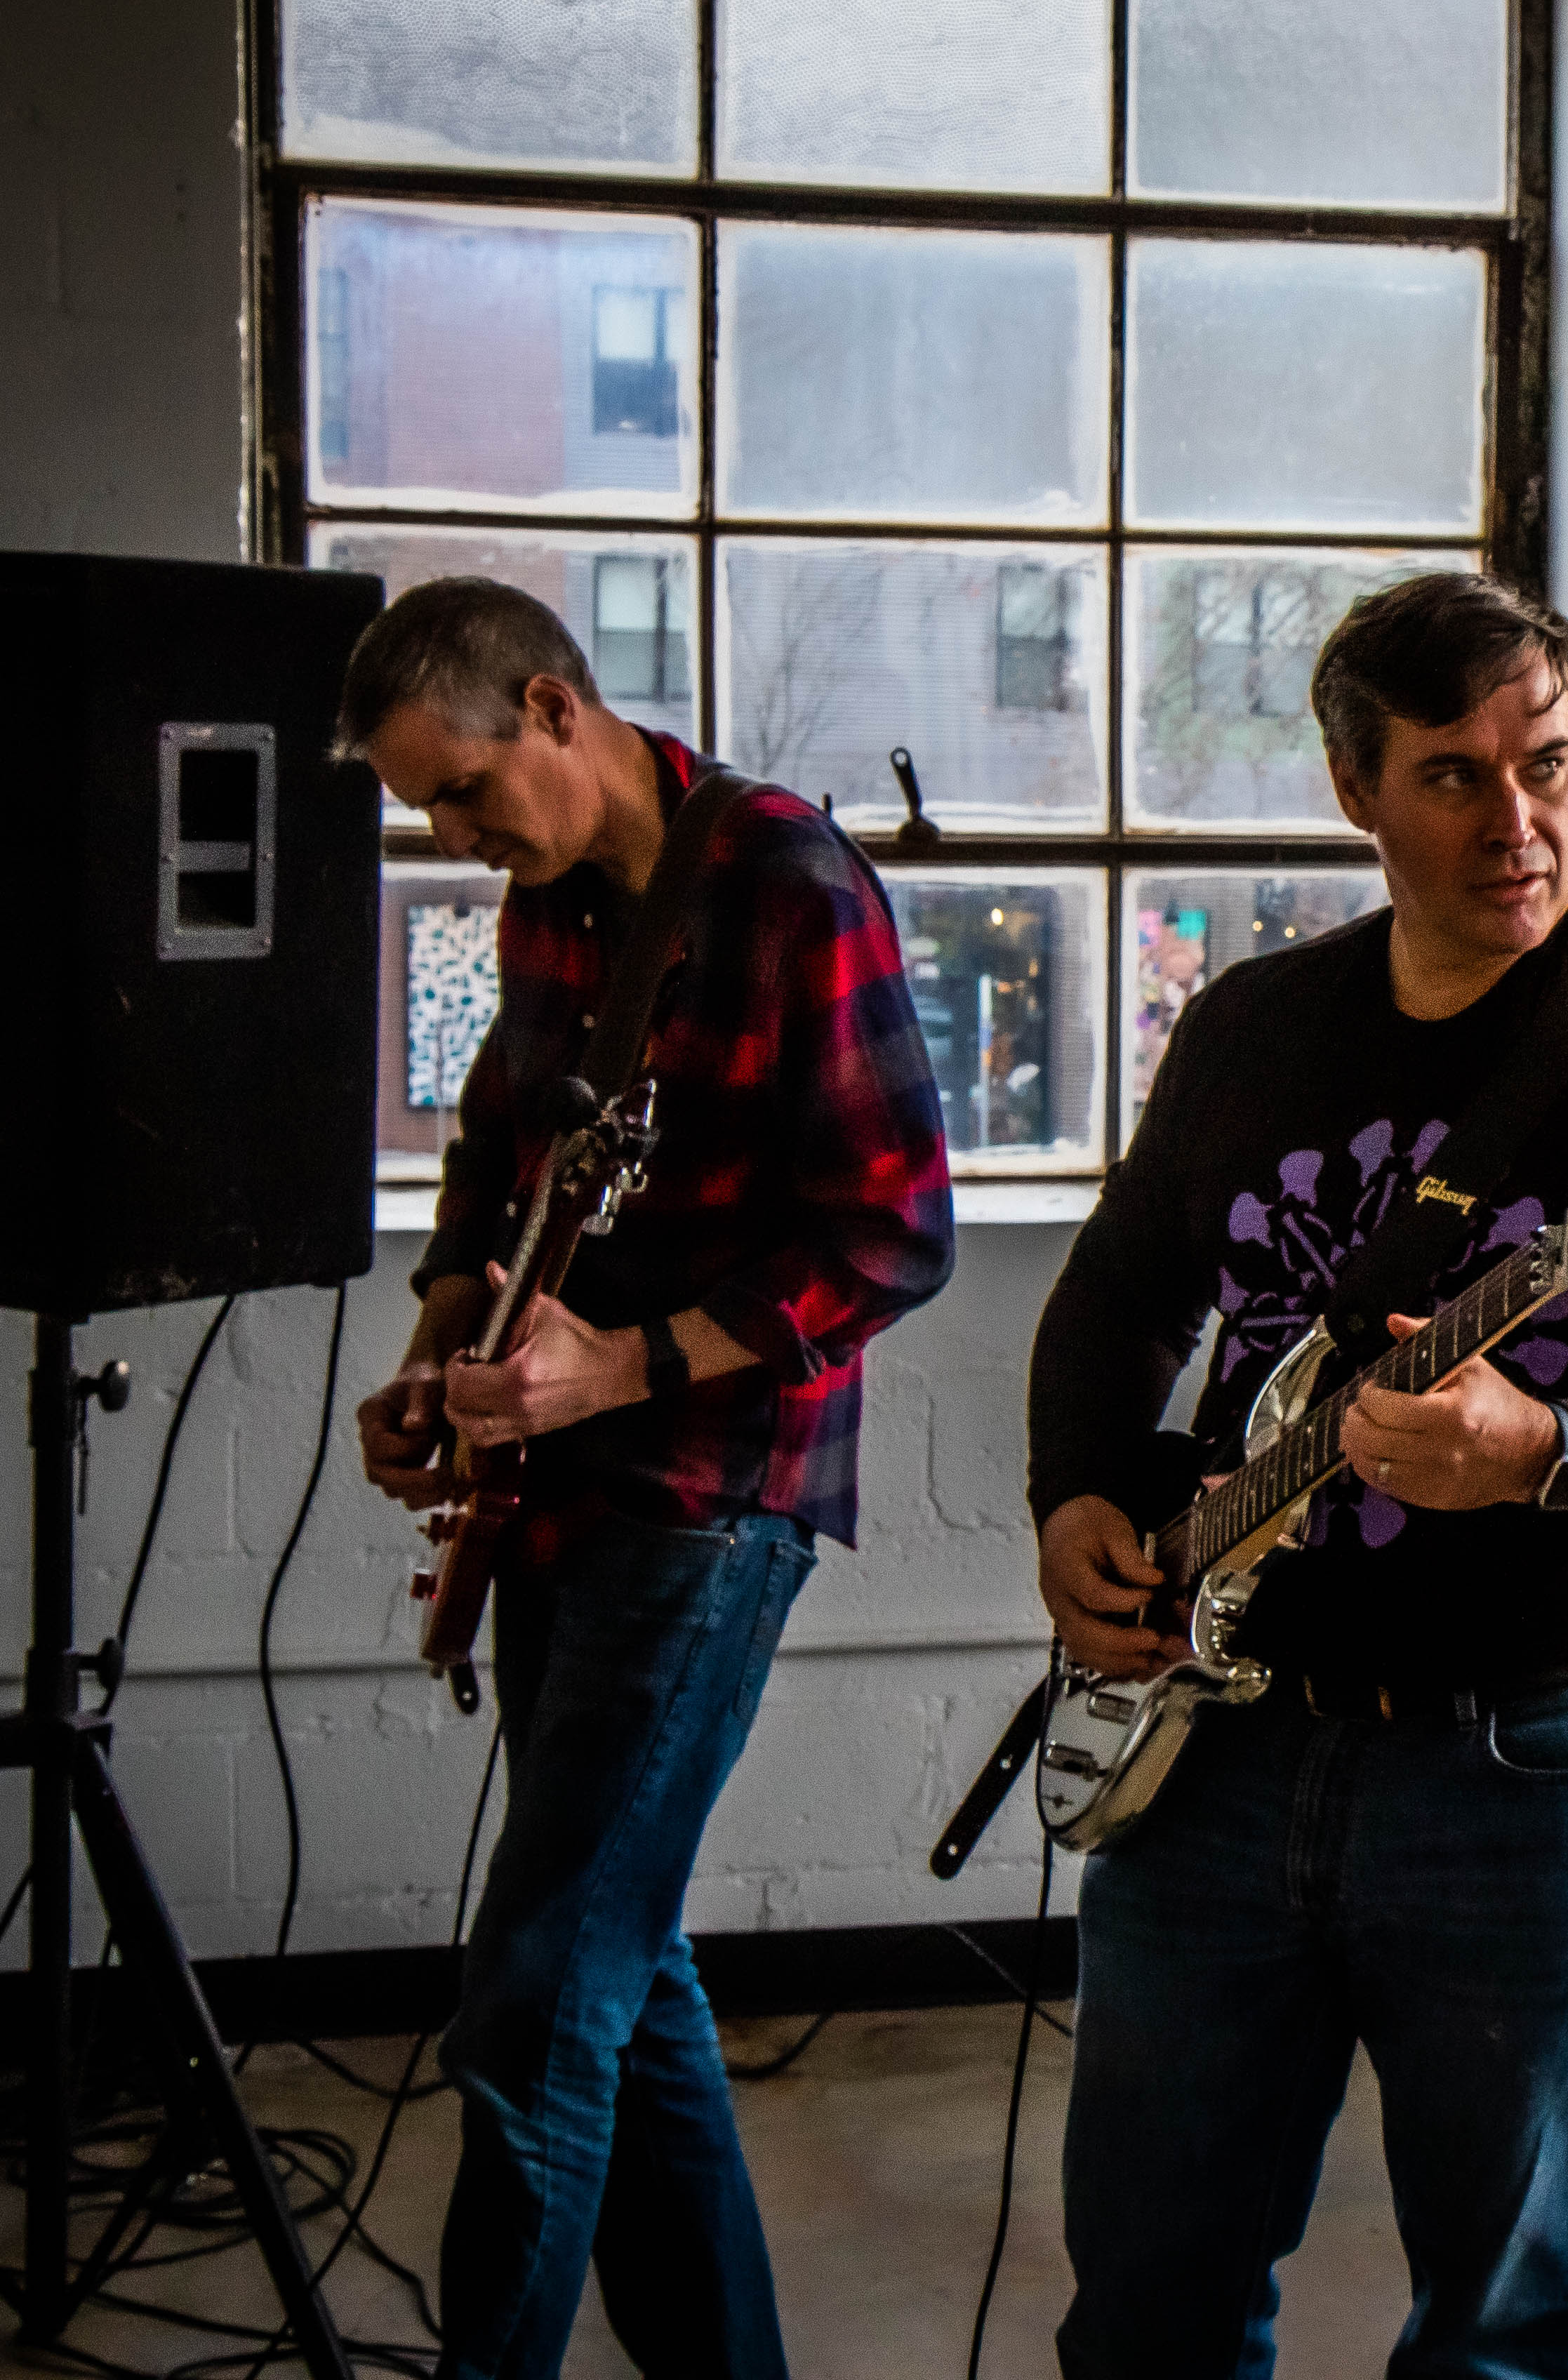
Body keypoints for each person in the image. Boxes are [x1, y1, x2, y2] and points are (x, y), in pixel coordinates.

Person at [1027, 571, 1568, 2379]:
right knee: (1150, 2301)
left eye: (1547, 763)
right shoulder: (1256, 1028)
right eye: (1453, 777)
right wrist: (1074, 1495)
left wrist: (1556, 1451)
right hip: (1216, 1746)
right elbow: (1118, 1296)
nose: (1518, 821)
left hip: (1538, 1764)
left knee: (1507, 2330)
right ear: (1357, 790)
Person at [347, 578, 953, 2380]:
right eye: (424, 813)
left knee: (536, 2007)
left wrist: (619, 1363)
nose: (454, 839)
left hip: (709, 1499)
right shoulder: (550, 897)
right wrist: (440, 1342)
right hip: (556, 1489)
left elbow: (895, 1236)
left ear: (554, 707)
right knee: (622, 1960)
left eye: (463, 792)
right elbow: (499, 1144)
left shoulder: (789, 884)